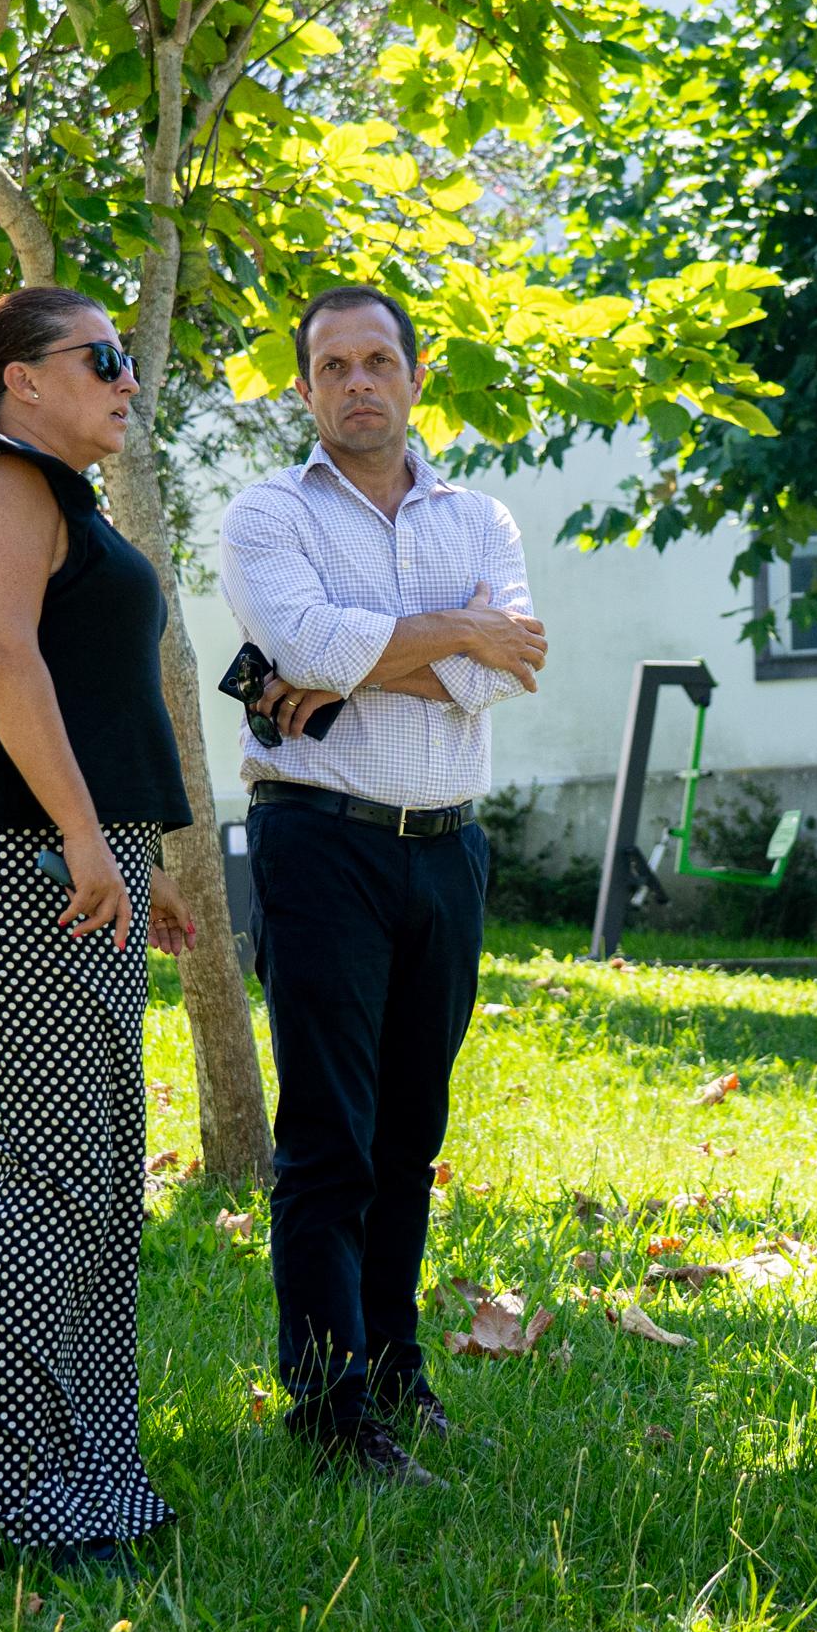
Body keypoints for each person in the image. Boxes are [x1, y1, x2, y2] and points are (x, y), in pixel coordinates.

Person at [0, 285, 203, 1571]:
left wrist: (135, 851)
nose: (128, 380)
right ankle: (30, 1500)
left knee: (28, 1166)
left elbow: (92, 688)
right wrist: (82, 833)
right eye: (103, 358)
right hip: (7, 860)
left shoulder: (52, 491)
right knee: (50, 1174)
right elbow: (1, 657)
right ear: (21, 378)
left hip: (50, 855)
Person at [217, 283, 547, 1485]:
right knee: (329, 1138)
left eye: (378, 361)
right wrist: (453, 631)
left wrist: (357, 659)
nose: (358, 382)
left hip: (448, 849)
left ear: (415, 376)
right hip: (320, 841)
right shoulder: (269, 512)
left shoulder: (482, 517)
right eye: (333, 366)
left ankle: (399, 1372)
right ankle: (329, 1407)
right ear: (306, 387)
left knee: (411, 1132)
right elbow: (304, 647)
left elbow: (511, 667)